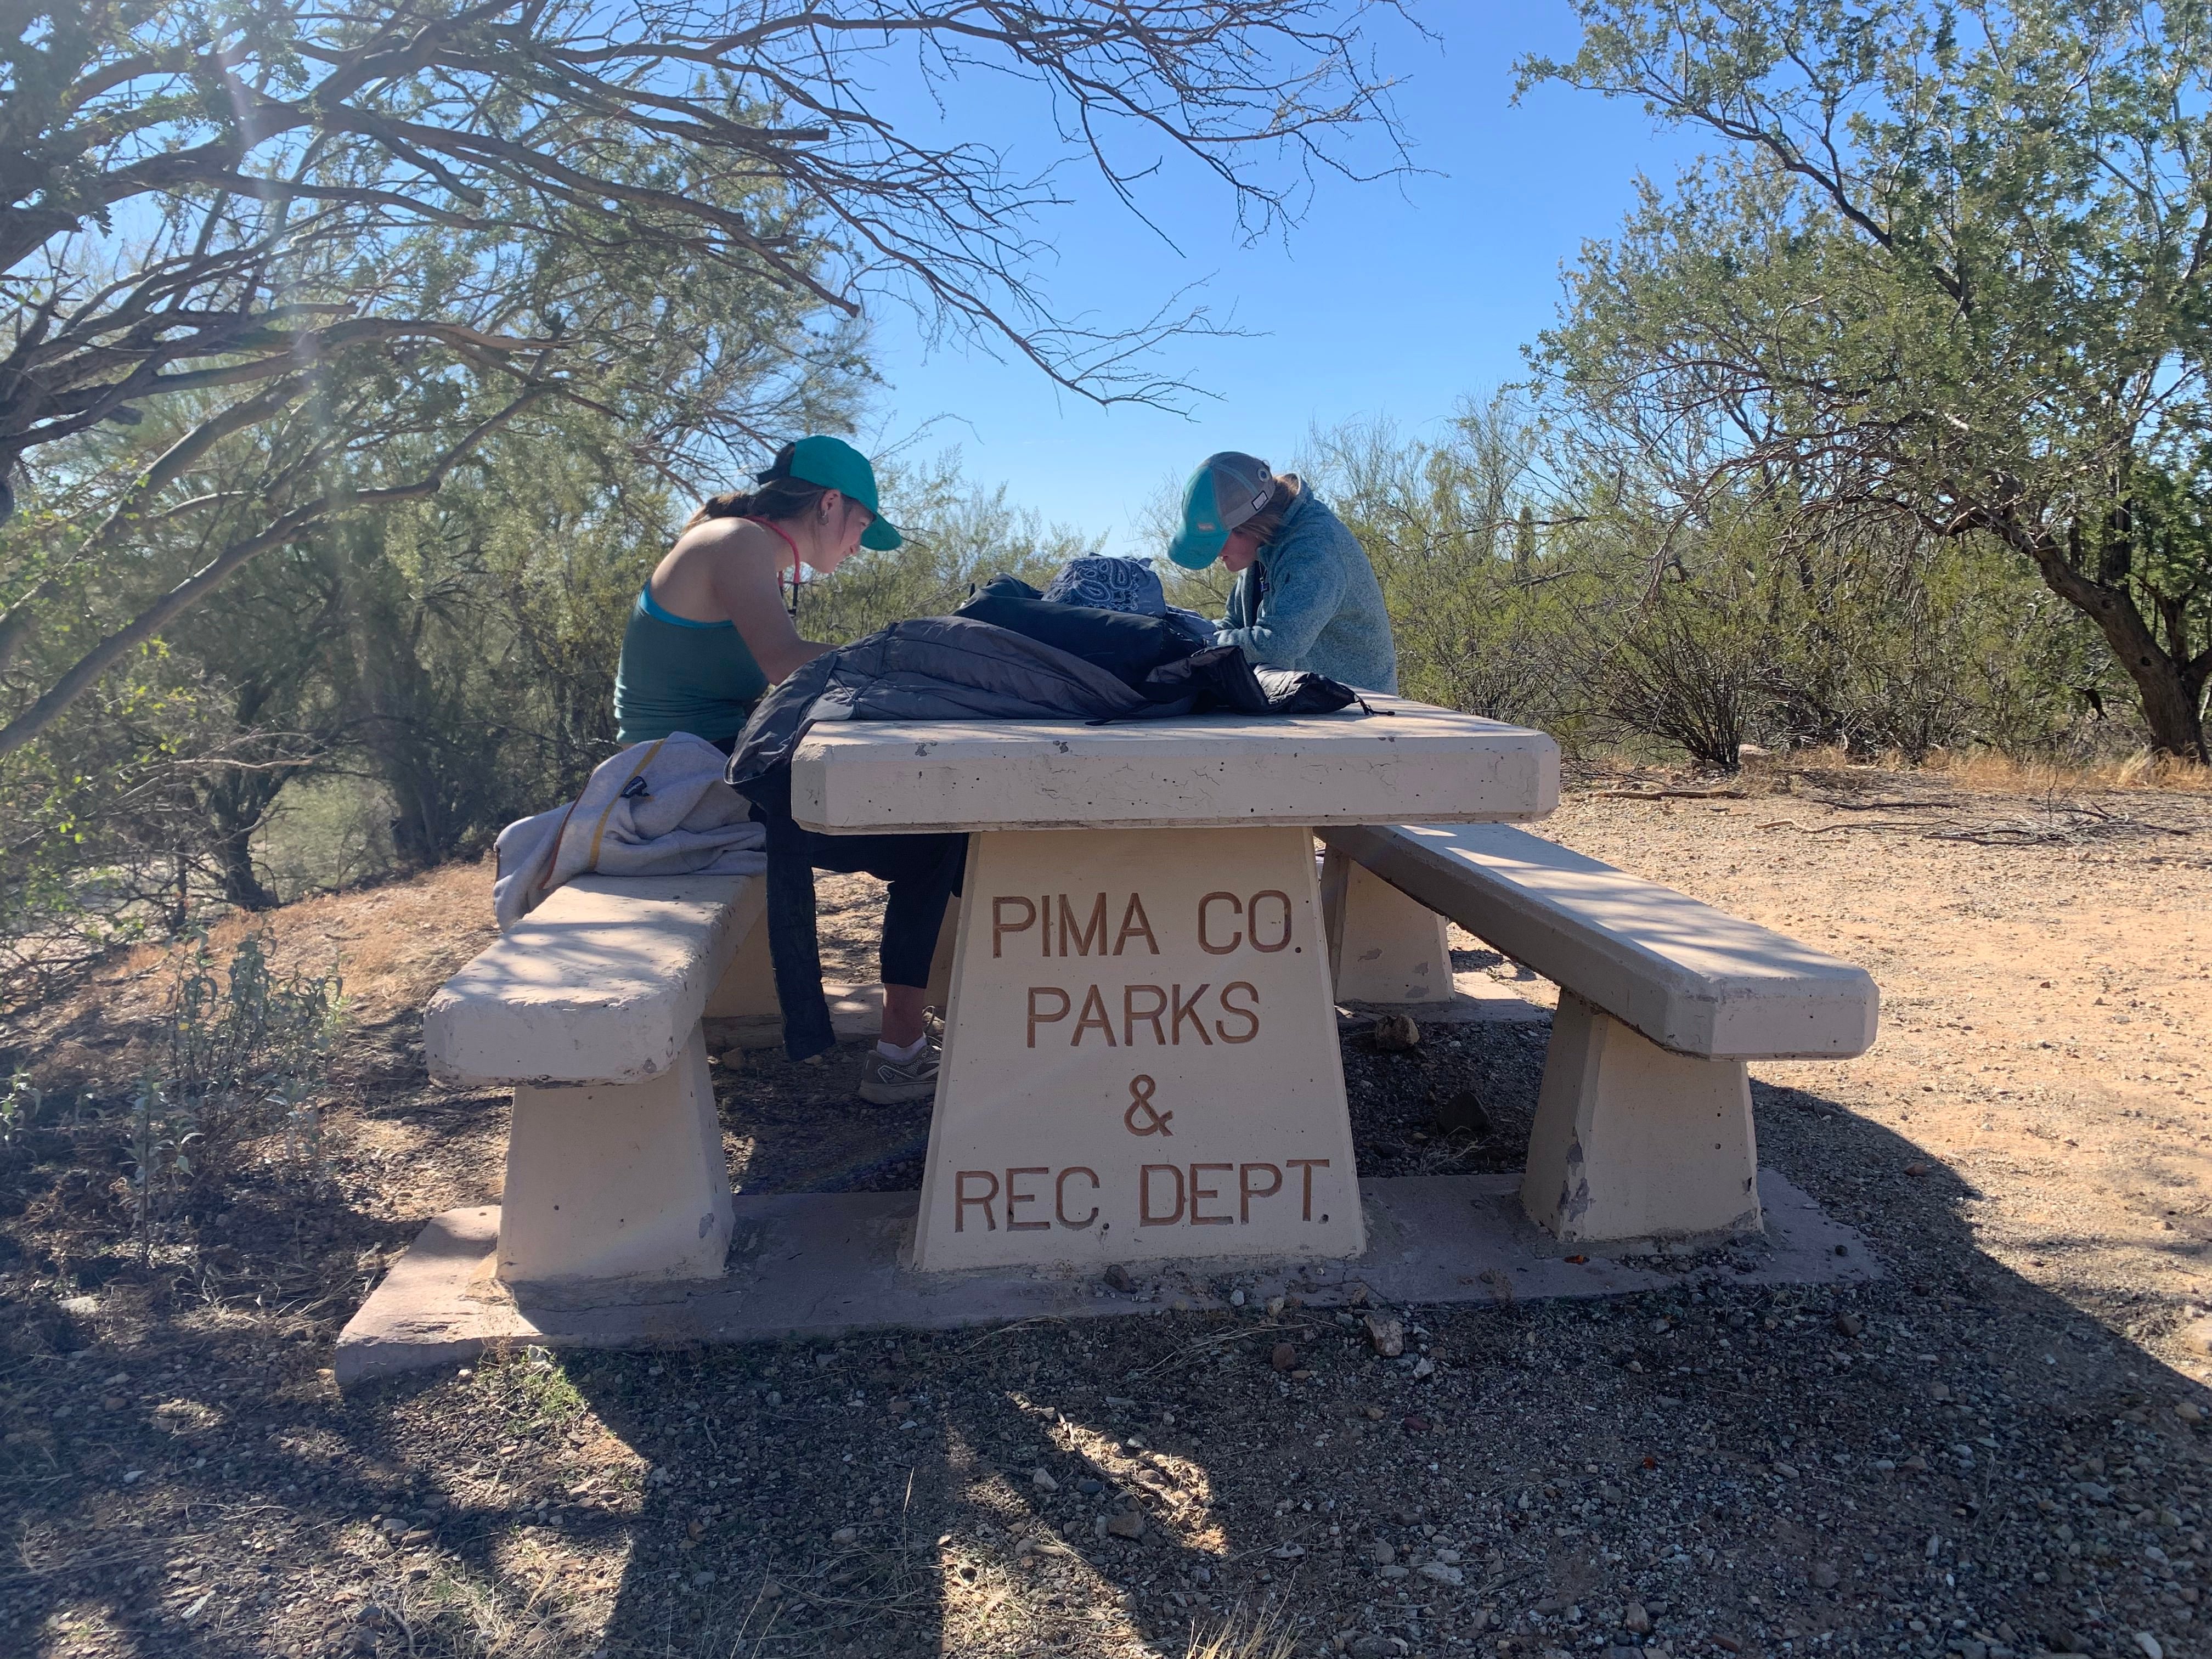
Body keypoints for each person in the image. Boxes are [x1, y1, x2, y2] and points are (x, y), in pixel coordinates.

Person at [614, 436, 960, 1104]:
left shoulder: (742, 548)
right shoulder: (735, 542)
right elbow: (783, 662)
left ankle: (908, 1042)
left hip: (701, 774)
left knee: (927, 830)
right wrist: (910, 661)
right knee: (932, 839)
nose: (858, 545)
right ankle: (902, 1052)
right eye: (861, 526)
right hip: (676, 787)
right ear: (830, 505)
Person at [1166, 451, 1398, 694]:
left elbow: (1278, 645)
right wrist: (1184, 632)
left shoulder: (1316, 549)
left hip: (1362, 710)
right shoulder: (1262, 544)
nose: (1214, 554)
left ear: (1250, 524)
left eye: (1217, 541)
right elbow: (1234, 624)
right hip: (1311, 701)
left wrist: (1198, 643)